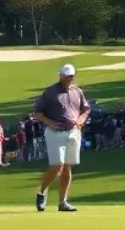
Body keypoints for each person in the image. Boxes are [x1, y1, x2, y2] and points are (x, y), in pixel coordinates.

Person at [32, 63, 90, 213]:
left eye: (71, 76)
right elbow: (37, 112)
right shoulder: (50, 92)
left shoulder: (77, 91)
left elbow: (85, 109)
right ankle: (42, 191)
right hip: (55, 132)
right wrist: (49, 122)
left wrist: (81, 120)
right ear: (61, 75)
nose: (69, 79)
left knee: (67, 167)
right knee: (58, 165)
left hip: (73, 132)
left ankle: (63, 202)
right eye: (67, 76)